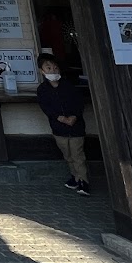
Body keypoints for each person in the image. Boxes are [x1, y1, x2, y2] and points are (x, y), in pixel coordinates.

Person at [35, 54, 89, 194]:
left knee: (78, 155)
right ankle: (75, 177)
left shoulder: (69, 86)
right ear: (42, 71)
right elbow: (46, 107)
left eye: (55, 67)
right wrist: (59, 118)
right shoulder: (43, 90)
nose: (53, 70)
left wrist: (74, 116)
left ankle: (84, 181)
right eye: (48, 68)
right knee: (68, 155)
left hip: (76, 126)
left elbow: (79, 103)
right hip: (59, 128)